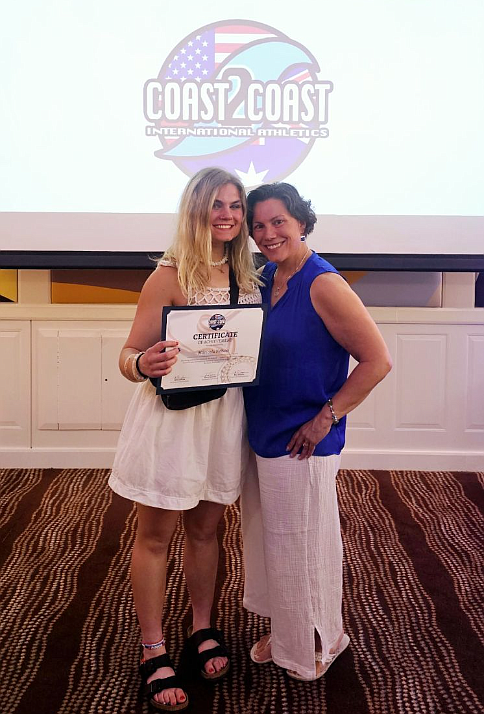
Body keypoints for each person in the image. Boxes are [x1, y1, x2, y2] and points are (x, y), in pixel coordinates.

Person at [108, 167, 260, 711]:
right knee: (155, 535)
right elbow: (128, 356)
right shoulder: (168, 276)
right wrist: (144, 362)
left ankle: (200, 627)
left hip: (223, 420)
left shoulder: (249, 273)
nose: (227, 215)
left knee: (206, 530)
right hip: (173, 422)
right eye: (216, 204)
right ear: (195, 210)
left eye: (236, 206)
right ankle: (153, 648)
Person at [241, 182, 392, 681]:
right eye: (258, 225)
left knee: (304, 545)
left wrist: (327, 415)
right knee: (274, 544)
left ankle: (319, 642)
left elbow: (377, 361)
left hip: (303, 439)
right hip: (263, 430)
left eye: (278, 221)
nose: (267, 233)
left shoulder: (323, 283)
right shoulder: (264, 276)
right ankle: (291, 628)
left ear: (301, 221)